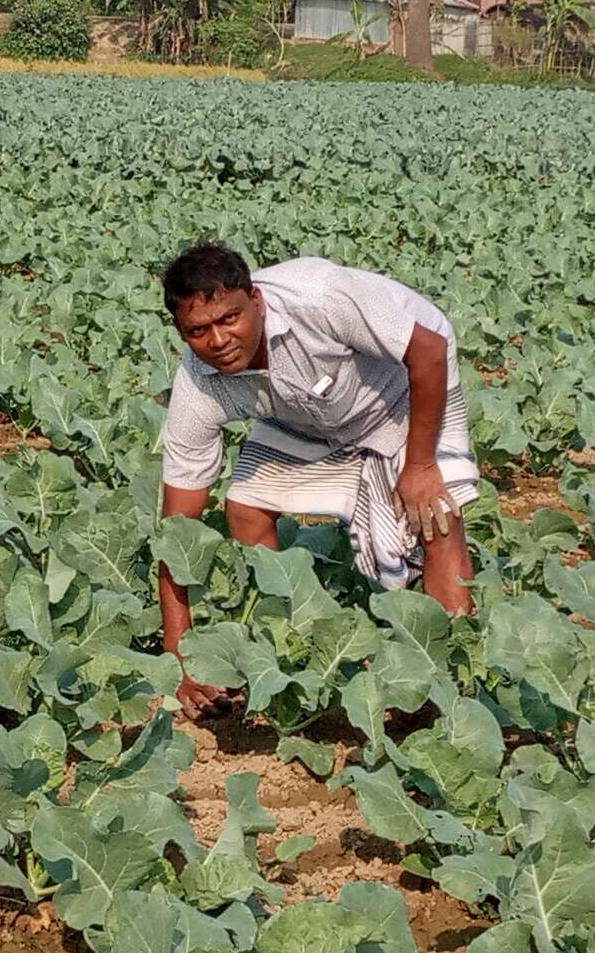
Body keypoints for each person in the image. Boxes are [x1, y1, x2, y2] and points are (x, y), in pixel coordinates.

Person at [154, 240, 482, 689]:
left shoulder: (318, 297)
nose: (217, 340)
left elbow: (428, 350)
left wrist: (421, 466)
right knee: (246, 508)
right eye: (198, 330)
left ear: (257, 301)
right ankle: (292, 642)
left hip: (406, 387)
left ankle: (449, 671)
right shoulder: (197, 388)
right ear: (180, 332)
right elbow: (177, 534)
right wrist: (179, 653)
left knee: (435, 515)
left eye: (230, 318)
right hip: (310, 413)